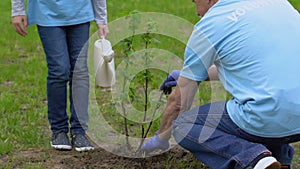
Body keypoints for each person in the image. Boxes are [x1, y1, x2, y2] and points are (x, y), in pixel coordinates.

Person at [141, 0, 300, 168]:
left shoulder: (211, 24)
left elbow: (179, 102)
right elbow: (252, 65)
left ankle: (255, 160)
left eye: (195, 2)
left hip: (267, 116)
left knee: (184, 125)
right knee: (273, 100)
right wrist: (195, 76)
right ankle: (279, 161)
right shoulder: (278, 3)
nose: (197, 11)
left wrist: (161, 138)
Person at [11, 0, 109, 151]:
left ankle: (79, 131)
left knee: (79, 71)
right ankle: (59, 131)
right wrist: (18, 10)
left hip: (80, 13)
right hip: (46, 12)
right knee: (59, 70)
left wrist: (101, 19)